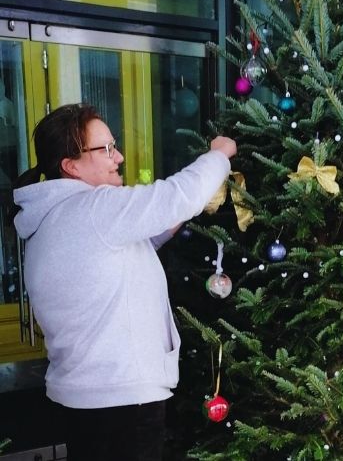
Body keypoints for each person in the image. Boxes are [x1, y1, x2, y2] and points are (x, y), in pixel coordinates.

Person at [12, 103, 236, 461]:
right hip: (123, 403)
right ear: (71, 166)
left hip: (87, 398)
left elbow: (124, 249)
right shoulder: (95, 208)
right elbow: (175, 195)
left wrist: (173, 218)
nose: (117, 156)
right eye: (104, 149)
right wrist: (220, 155)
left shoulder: (56, 219)